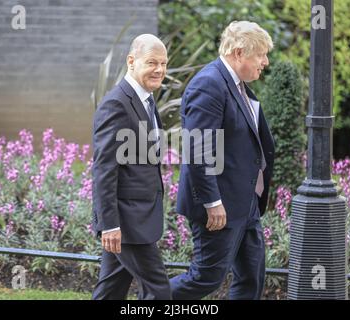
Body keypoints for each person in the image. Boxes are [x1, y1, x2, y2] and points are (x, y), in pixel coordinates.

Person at [170, 21, 275, 300]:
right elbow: (197, 151)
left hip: (246, 204)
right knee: (205, 279)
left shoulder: (238, 85)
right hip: (219, 207)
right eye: (261, 54)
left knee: (251, 278)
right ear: (239, 53)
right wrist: (212, 203)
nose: (265, 62)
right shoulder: (209, 84)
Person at [91, 34, 171, 300]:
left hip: (137, 218)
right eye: (152, 62)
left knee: (111, 289)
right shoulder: (117, 103)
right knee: (158, 291)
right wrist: (110, 225)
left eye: (163, 63)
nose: (159, 69)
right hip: (126, 223)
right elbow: (104, 169)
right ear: (131, 61)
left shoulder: (146, 100)